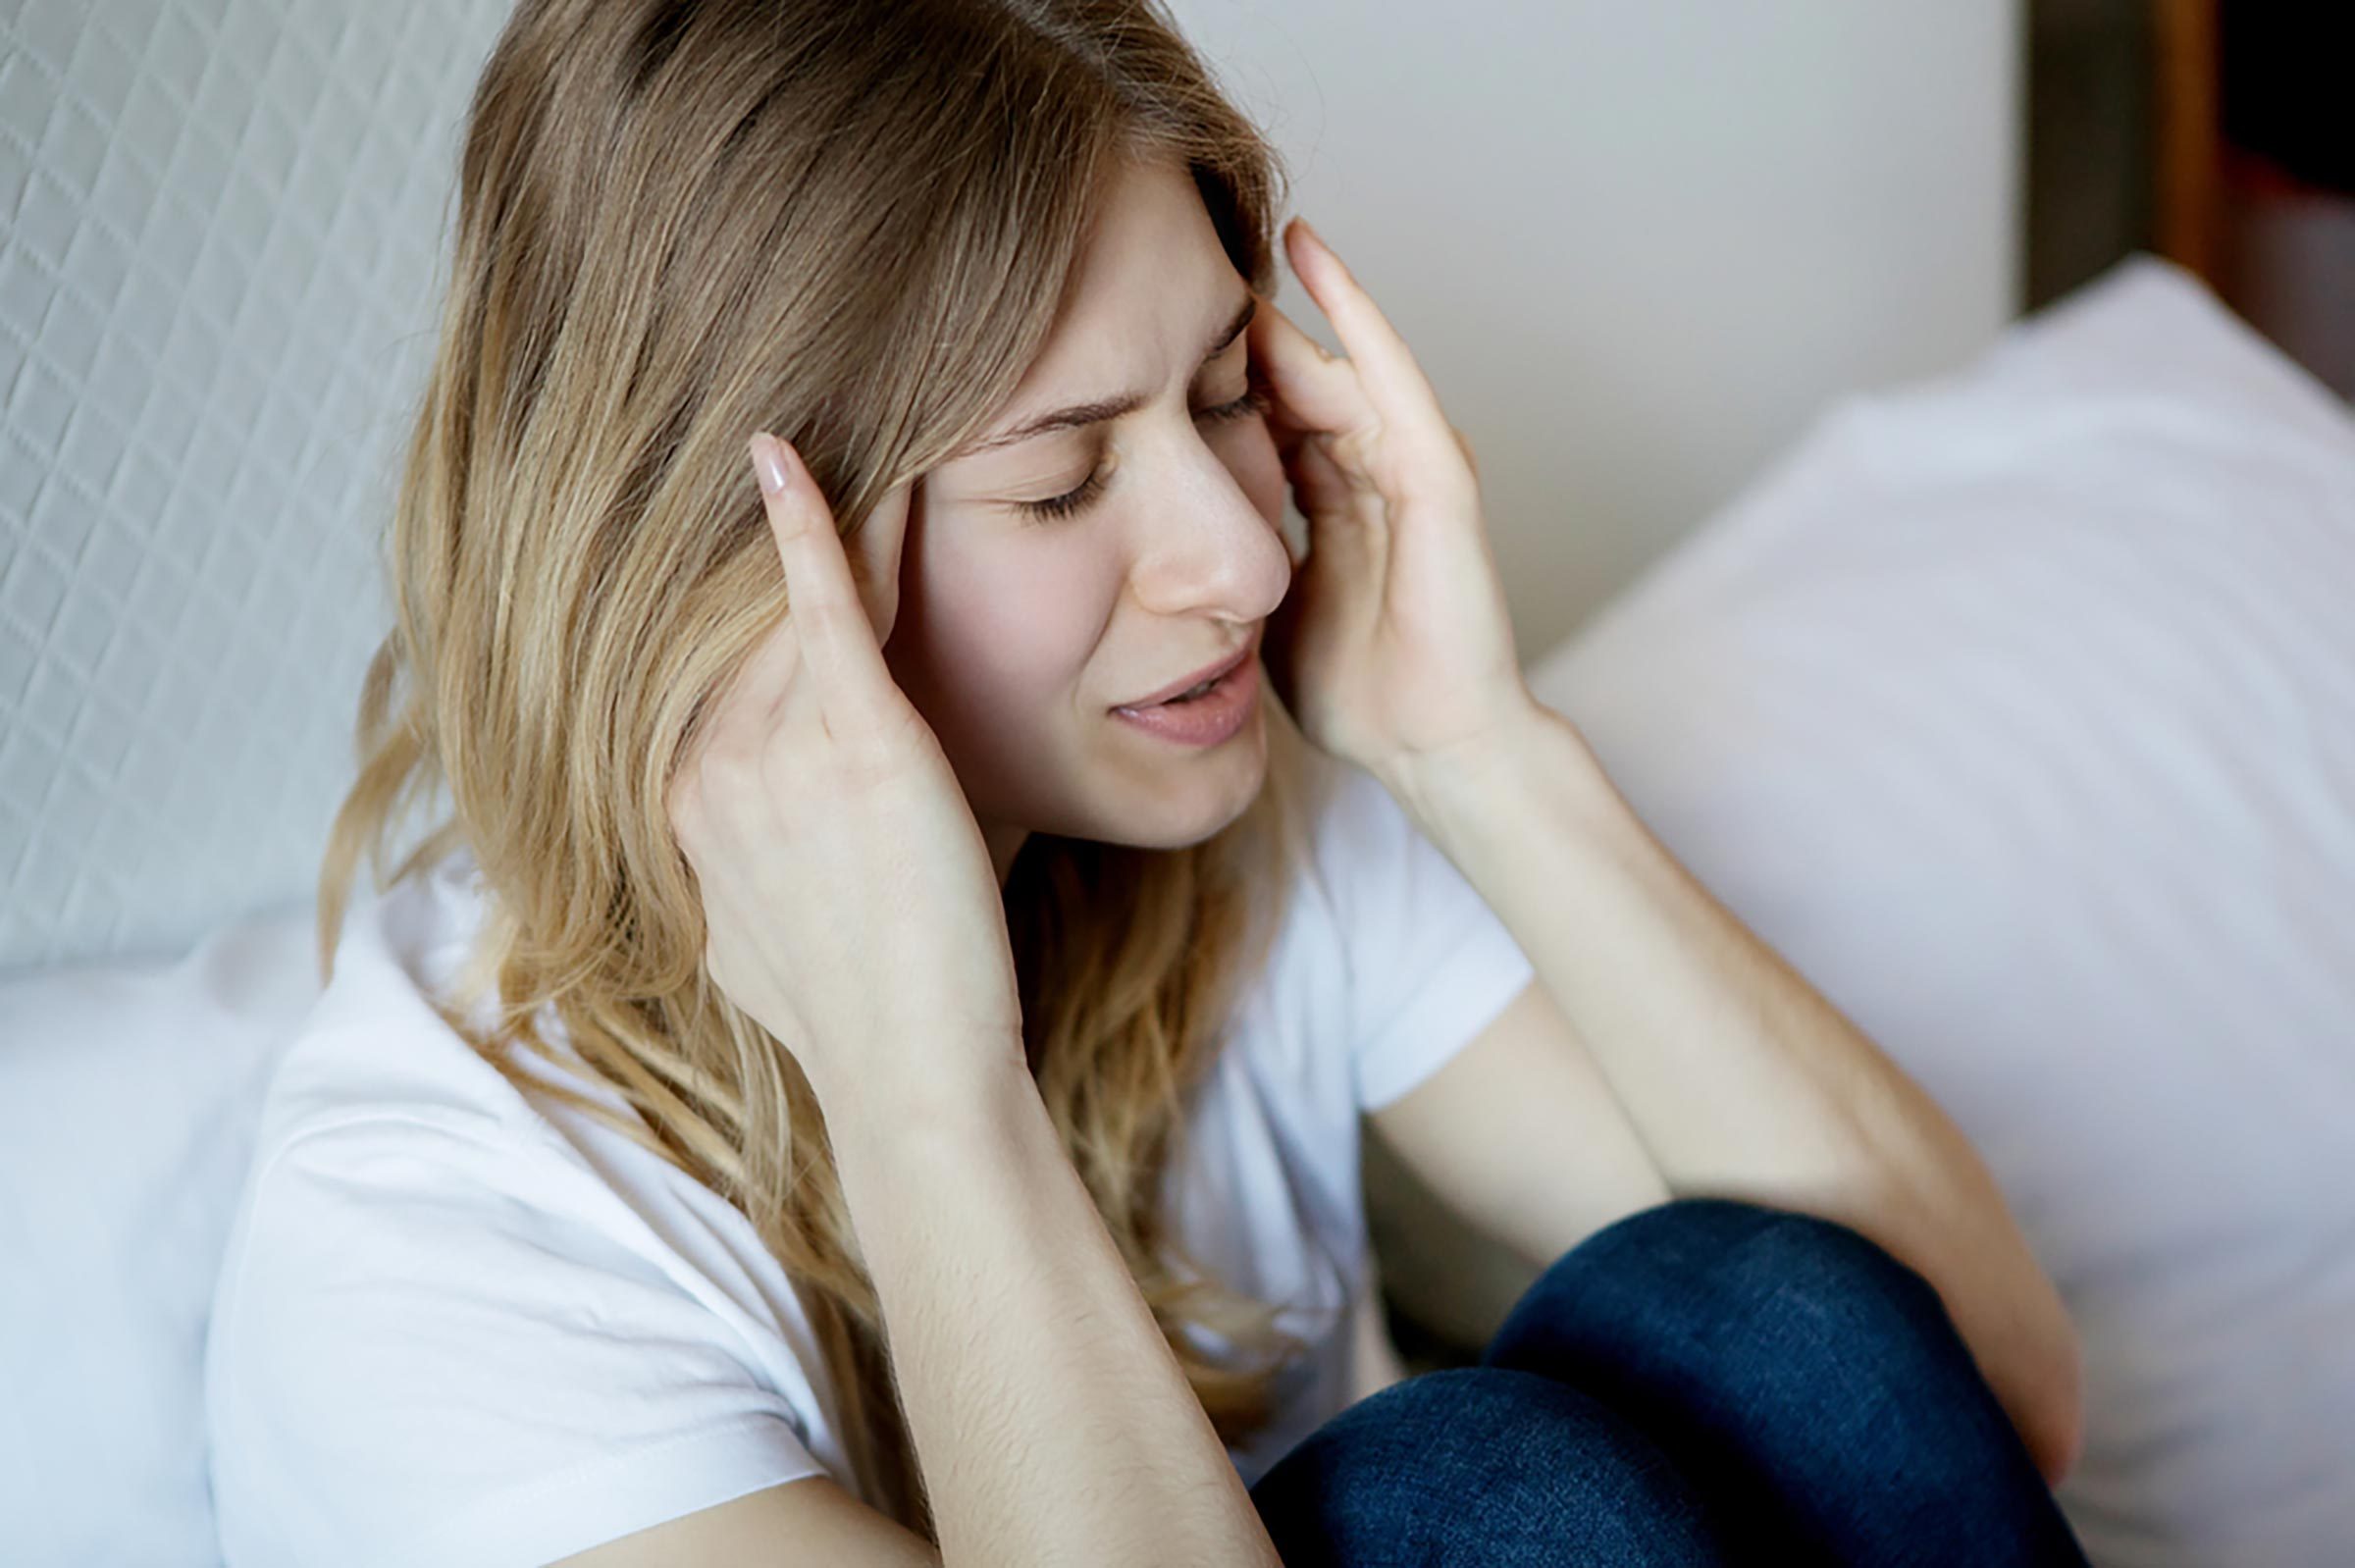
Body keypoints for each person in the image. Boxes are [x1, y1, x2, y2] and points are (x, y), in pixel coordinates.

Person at [201, 0, 2094, 1562]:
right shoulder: (431, 1250)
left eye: (1216, 397)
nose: (1251, 562)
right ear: (709, 579)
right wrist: (919, 1082)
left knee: (1742, 1306)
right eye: (1059, 479)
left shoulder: (1224, 814)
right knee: (1471, 1495)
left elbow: (1987, 1399)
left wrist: (1479, 753)